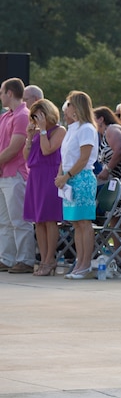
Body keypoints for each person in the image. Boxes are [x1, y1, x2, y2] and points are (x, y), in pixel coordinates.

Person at [56, 91, 99, 279]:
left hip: (81, 179)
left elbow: (84, 158)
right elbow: (65, 157)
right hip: (69, 178)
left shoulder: (87, 128)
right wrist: (60, 175)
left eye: (70, 104)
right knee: (75, 223)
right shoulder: (72, 128)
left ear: (77, 107)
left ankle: (85, 263)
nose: (67, 108)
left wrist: (67, 176)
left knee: (84, 222)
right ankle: (79, 263)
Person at [23, 99, 64, 276]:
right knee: (38, 220)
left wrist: (43, 131)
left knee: (49, 218)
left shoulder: (59, 131)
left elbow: (48, 150)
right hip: (35, 177)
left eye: (39, 116)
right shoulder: (38, 133)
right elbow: (27, 156)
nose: (36, 120)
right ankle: (43, 259)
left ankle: (50, 259)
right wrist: (29, 137)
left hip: (50, 175)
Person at [0, 77, 34, 273]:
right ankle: (7, 257)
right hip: (4, 173)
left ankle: (26, 259)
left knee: (19, 219)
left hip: (16, 174)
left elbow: (15, 147)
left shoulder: (23, 115)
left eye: (2, 92)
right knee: (4, 220)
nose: (1, 96)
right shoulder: (6, 116)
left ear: (10, 93)